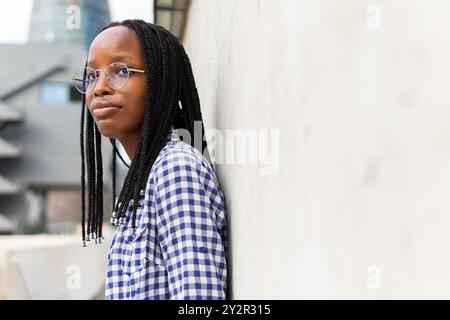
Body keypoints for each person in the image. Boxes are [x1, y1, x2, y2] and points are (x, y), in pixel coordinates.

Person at [74, 19, 228, 300]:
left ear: (160, 81)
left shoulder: (175, 170)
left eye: (120, 71)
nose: (99, 88)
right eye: (91, 75)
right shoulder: (143, 182)